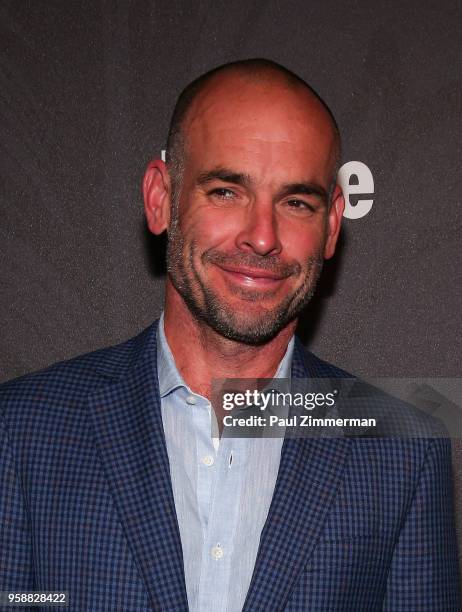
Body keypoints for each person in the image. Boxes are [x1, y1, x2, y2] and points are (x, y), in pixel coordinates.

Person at [0, 59, 459, 611]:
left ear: (332, 225)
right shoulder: (23, 430)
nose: (262, 237)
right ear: (160, 198)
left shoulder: (400, 450)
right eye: (225, 191)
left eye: (295, 202)